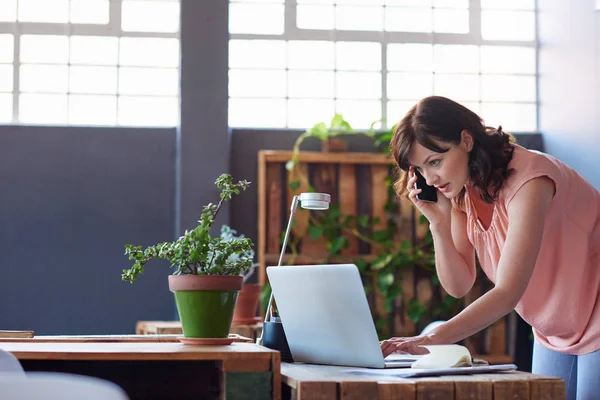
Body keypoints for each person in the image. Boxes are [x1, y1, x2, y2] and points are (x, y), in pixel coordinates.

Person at [380, 96, 600, 400]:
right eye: (420, 168)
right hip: (555, 328)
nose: (430, 178)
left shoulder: (530, 180)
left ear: (466, 140)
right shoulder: (463, 190)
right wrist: (438, 224)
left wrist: (431, 338)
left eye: (435, 161)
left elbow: (508, 291)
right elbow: (459, 284)